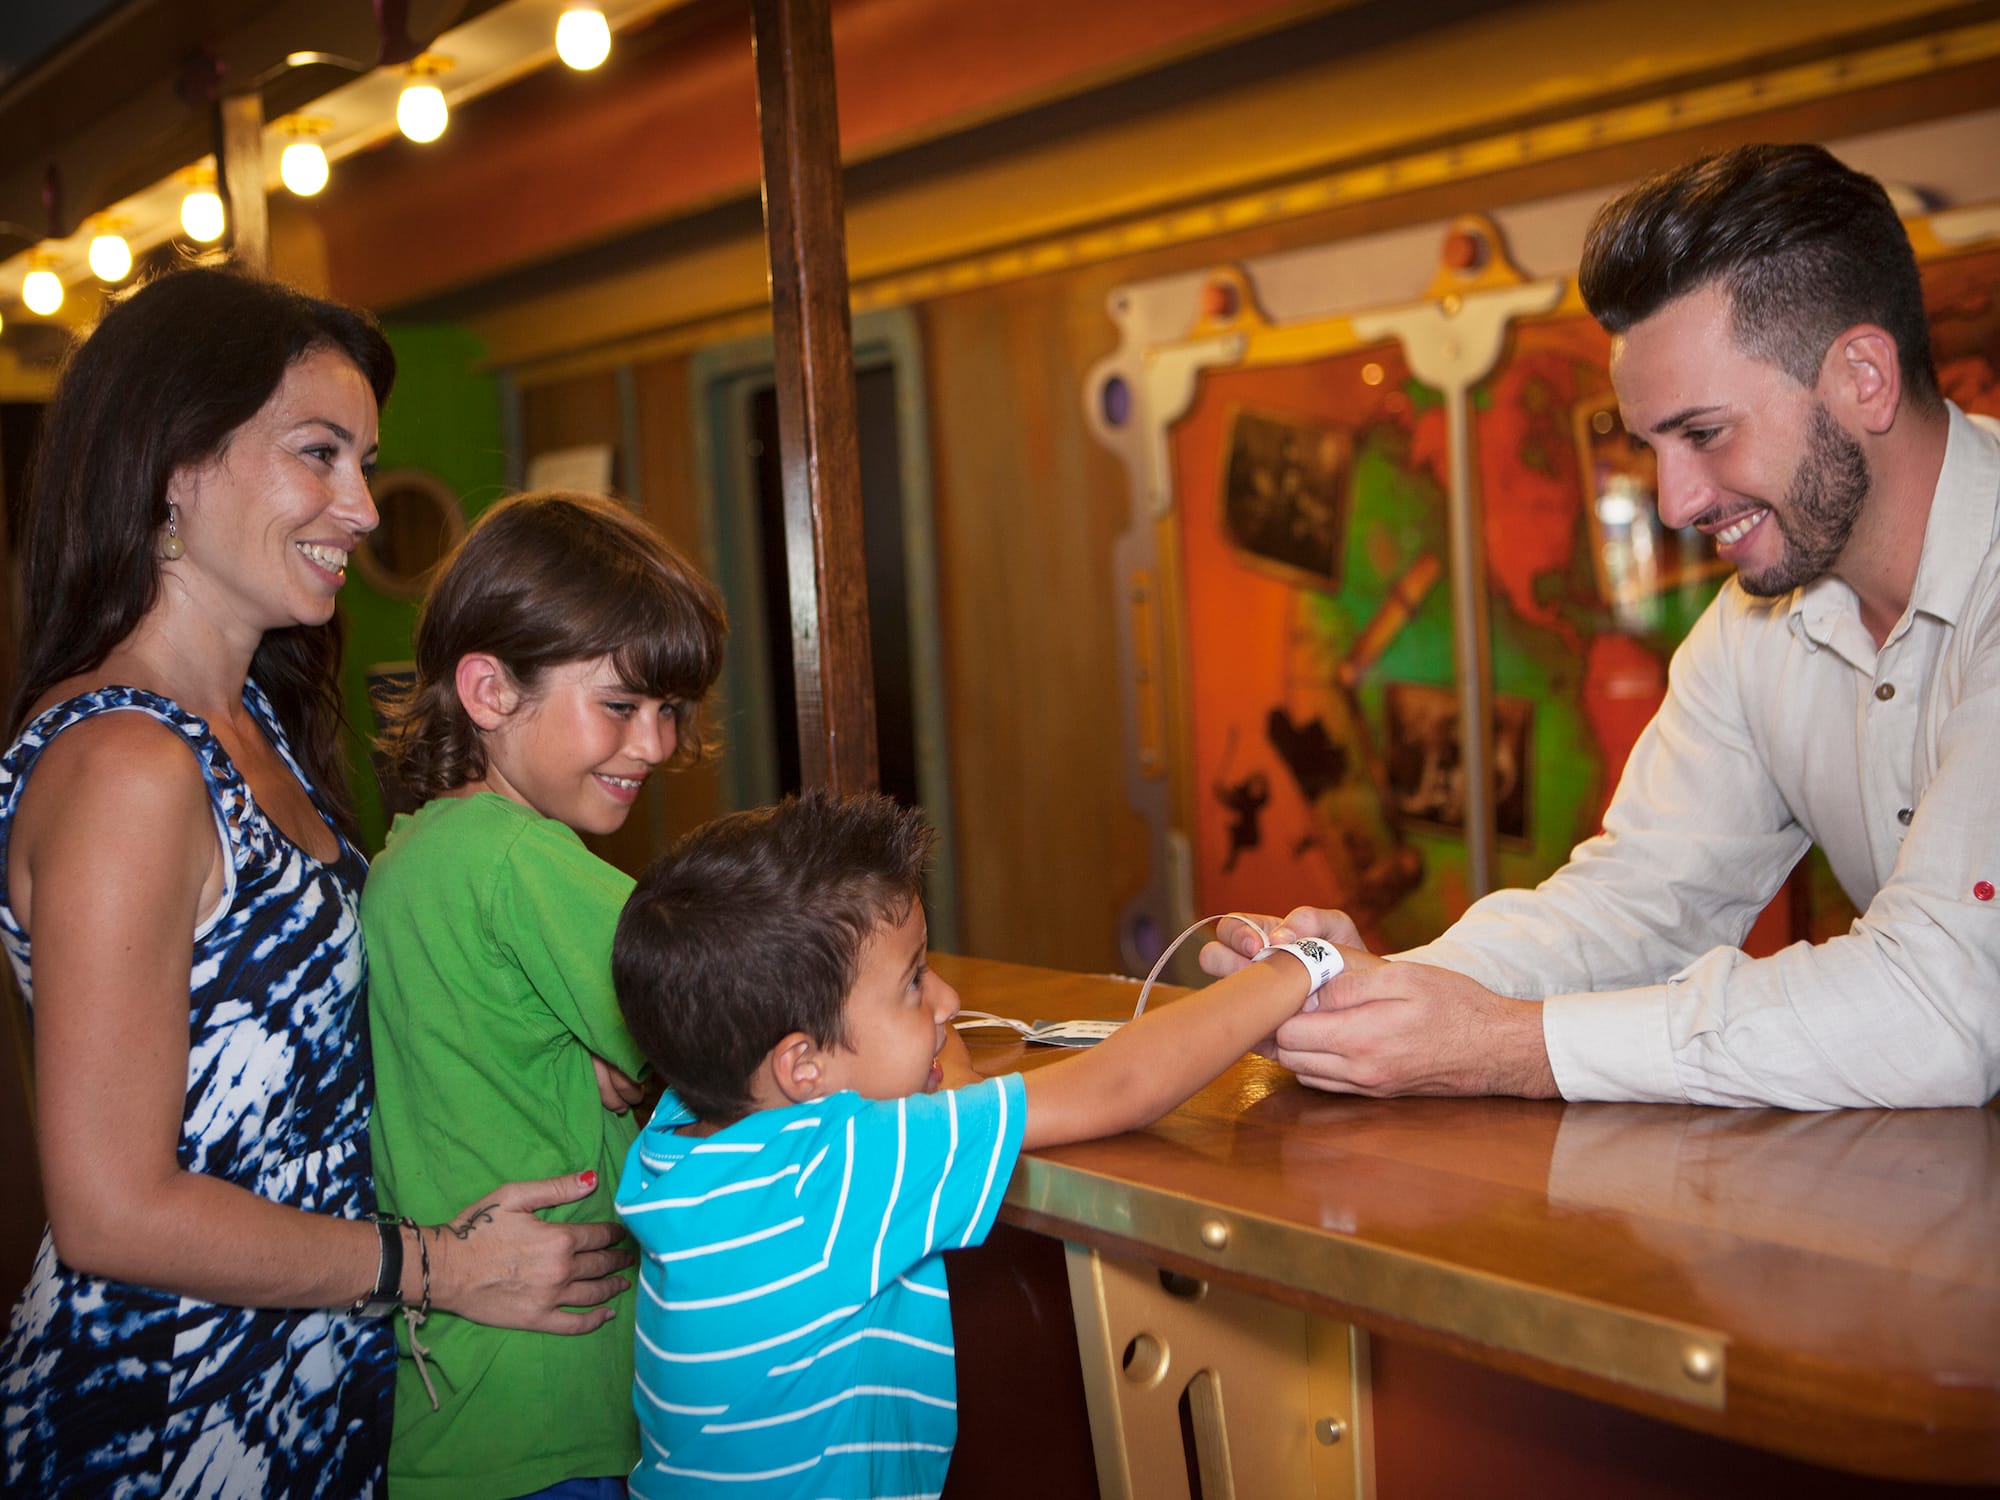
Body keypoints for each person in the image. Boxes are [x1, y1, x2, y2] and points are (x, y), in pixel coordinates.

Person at [0, 268, 634, 1498]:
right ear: (174, 467)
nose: (358, 506)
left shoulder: (251, 732)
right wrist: (441, 1268)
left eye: (364, 460)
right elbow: (112, 1209)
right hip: (173, 1403)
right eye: (318, 454)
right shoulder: (129, 760)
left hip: (312, 1375)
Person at [1203, 143, 2000, 1111]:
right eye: (1650, 447)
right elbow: (1639, 900)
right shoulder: (1753, 624)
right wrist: (1393, 991)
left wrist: (1507, 1045)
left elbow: (1938, 1004)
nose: (1672, 503)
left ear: (1863, 376)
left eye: (1702, 434)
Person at [609, 789, 1373, 1499]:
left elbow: (952, 1091)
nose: (949, 1000)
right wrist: (1299, 965)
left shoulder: (684, 1124)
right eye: (914, 982)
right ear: (802, 1065)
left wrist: (919, 1034)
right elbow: (1120, 1087)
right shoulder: (838, 1169)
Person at [364, 490, 727, 1498]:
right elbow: (750, 1049)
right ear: (487, 689)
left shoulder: (413, 856)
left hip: (459, 1408)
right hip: (553, 1402)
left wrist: (631, 1063)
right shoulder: (526, 862)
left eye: (668, 711)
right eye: (620, 705)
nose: (654, 746)